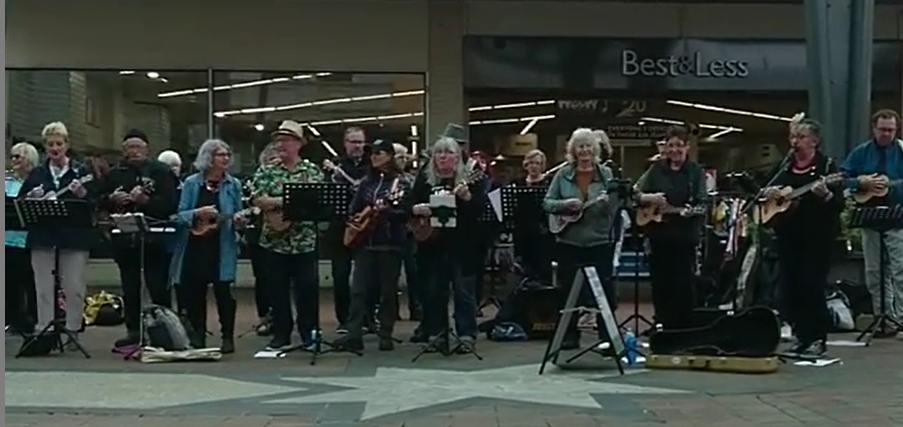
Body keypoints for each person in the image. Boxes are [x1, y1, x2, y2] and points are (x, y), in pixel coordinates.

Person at [761, 114, 842, 357]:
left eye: (801, 137)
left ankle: (817, 338)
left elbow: (838, 203)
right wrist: (770, 191)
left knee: (812, 287)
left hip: (816, 239)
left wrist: (825, 194)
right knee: (791, 288)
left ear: (814, 141)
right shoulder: (785, 165)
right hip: (787, 236)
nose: (795, 141)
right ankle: (800, 335)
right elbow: (765, 188)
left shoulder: (827, 167)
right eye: (793, 136)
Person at [102, 129, 178, 349]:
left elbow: (170, 204)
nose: (134, 151)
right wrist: (111, 199)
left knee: (158, 286)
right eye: (129, 147)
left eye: (138, 147)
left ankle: (164, 330)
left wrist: (145, 200)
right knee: (130, 287)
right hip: (125, 239)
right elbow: (98, 201)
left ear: (147, 148)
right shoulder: (115, 173)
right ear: (124, 151)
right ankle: (134, 331)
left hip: (155, 238)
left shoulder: (161, 172)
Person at [19, 122, 94, 346]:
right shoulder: (37, 173)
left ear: (67, 145)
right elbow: (21, 204)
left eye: (59, 144)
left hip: (74, 237)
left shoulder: (80, 172)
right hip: (43, 237)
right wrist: (32, 197)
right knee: (42, 286)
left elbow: (95, 203)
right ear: (44, 147)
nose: (55, 148)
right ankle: (44, 330)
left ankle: (72, 331)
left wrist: (82, 193)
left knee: (74, 286)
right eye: (50, 144)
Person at [252, 121, 324, 351]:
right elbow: (258, 199)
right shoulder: (266, 171)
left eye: (286, 140)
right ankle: (281, 334)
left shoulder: (311, 171)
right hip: (274, 241)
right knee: (277, 291)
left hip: (304, 242)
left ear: (298, 144)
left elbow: (317, 201)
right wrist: (287, 201)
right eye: (278, 140)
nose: (281, 144)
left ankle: (308, 334)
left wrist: (286, 203)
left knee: (307, 291)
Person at [168, 139, 246, 353]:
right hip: (195, 245)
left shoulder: (234, 184)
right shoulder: (192, 183)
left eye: (227, 155)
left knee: (224, 293)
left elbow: (240, 214)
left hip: (222, 246)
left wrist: (240, 220)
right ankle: (198, 335)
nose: (226, 159)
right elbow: (179, 215)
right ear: (209, 158)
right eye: (221, 155)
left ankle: (227, 337)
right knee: (195, 293)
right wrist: (198, 214)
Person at [543, 128, 618, 349]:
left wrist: (607, 204)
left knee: (604, 291)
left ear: (594, 149)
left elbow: (614, 209)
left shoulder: (606, 174)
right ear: (573, 150)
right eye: (580, 146)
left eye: (588, 146)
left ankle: (608, 338)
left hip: (599, 240)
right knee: (566, 292)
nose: (584, 150)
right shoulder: (563, 174)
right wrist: (565, 205)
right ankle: (567, 336)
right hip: (569, 241)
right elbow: (547, 203)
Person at [335, 140, 412, 351]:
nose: (375, 157)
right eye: (373, 153)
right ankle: (354, 334)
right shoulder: (366, 183)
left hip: (390, 244)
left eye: (380, 153)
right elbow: (353, 209)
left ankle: (385, 334)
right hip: (365, 244)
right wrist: (356, 220)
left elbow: (406, 213)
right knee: (358, 290)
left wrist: (387, 212)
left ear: (390, 156)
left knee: (388, 292)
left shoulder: (401, 183)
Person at [410, 136, 485, 353]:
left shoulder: (469, 179)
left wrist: (468, 197)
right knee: (434, 292)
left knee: (464, 293)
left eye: (449, 152)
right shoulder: (425, 180)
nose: (443, 157)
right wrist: (416, 209)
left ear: (457, 157)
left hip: (463, 246)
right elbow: (409, 204)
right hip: (431, 246)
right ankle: (437, 334)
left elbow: (481, 210)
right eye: (439, 153)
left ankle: (466, 334)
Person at [635, 125, 707, 330]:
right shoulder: (656, 169)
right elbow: (636, 194)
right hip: (658, 236)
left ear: (687, 147)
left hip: (684, 237)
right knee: (660, 283)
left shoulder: (695, 173)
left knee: (683, 283)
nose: (674, 150)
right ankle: (662, 323)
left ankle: (683, 326)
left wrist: (684, 211)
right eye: (670, 145)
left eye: (678, 145)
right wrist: (650, 198)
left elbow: (701, 204)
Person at [841, 109, 903, 338]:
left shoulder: (901, 150)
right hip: (870, 217)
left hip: (899, 217)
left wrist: (893, 185)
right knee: (875, 272)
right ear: (873, 129)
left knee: (901, 271)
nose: (886, 134)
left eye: (891, 130)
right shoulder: (861, 152)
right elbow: (842, 177)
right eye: (882, 129)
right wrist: (860, 181)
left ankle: (901, 319)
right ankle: (883, 319)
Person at [324, 126, 370, 334]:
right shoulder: (335, 167)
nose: (357, 146)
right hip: (340, 227)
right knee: (340, 275)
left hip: (367, 227)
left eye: (360, 142)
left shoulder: (372, 166)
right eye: (353, 142)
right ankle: (344, 319)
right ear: (345, 144)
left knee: (368, 276)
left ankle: (367, 318)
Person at [5, 142, 39, 335]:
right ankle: (12, 320)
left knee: (31, 282)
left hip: (29, 239)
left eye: (19, 156)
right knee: (9, 283)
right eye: (13, 156)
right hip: (7, 239)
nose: (15, 160)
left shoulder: (36, 180)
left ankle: (33, 319)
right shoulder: (7, 181)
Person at [245, 143, 278, 335]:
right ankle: (264, 316)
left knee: (278, 277)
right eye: (269, 158)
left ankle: (280, 316)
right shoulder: (254, 180)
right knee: (262, 278)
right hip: (257, 231)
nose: (272, 162)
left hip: (279, 231)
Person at [512, 149, 554, 284]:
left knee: (542, 267)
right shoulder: (518, 183)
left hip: (542, 231)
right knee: (525, 268)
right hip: (522, 232)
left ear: (542, 165)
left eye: (537, 163)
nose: (533, 166)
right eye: (530, 163)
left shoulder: (549, 183)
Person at [393, 142, 421, 321]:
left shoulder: (411, 179)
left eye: (405, 157)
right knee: (390, 276)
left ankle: (416, 308)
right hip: (391, 233)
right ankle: (391, 311)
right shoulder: (386, 180)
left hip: (410, 233)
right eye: (399, 157)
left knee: (414, 273)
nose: (403, 161)